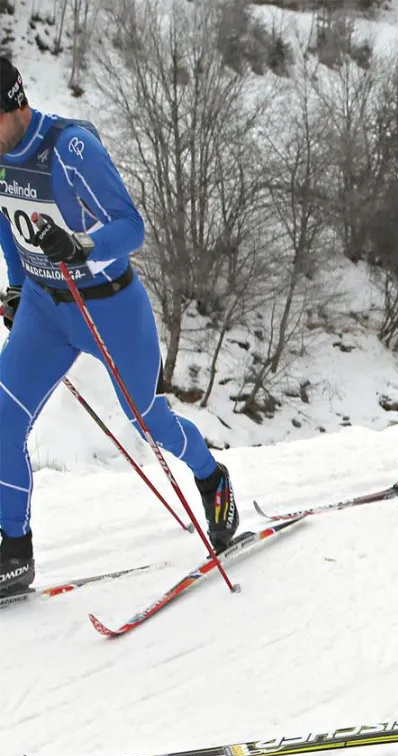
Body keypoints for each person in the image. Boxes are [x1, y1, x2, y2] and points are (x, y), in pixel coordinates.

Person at [0, 57, 238, 597]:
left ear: (17, 105)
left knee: (146, 416)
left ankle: (211, 476)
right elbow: (6, 222)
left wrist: (82, 246)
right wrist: (17, 286)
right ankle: (13, 549)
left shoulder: (69, 147)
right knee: (1, 422)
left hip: (108, 306)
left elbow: (132, 228)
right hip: (44, 309)